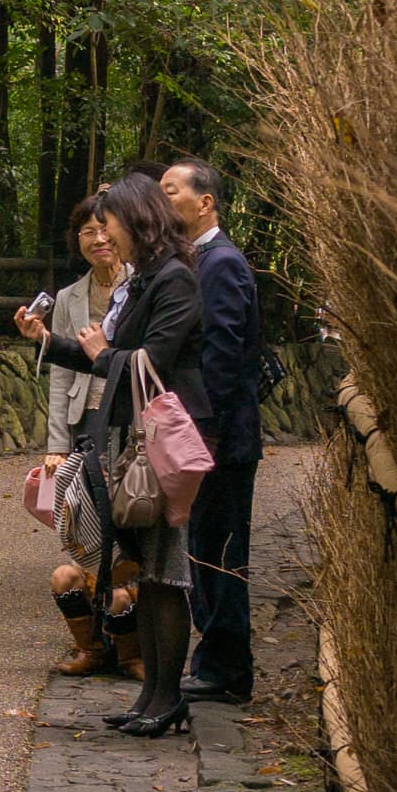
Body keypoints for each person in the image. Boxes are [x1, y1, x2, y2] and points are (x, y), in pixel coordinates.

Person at [15, 174, 209, 738]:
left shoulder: (175, 279)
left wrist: (104, 353)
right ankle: (150, 695)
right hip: (129, 441)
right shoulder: (146, 278)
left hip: (160, 446)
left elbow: (153, 360)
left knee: (165, 573)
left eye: (111, 223)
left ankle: (166, 697)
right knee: (144, 570)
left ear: (137, 220)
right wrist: (47, 341)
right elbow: (107, 353)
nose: (105, 235)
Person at [162, 158, 263, 705]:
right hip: (208, 436)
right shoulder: (195, 260)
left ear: (205, 203)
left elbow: (221, 357)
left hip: (220, 439)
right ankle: (215, 662)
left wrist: (203, 435)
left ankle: (226, 667)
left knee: (220, 550)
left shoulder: (220, 263)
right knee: (203, 546)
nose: (162, 200)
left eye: (171, 191)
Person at [41, 197, 141, 681]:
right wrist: (56, 443)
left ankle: (133, 640)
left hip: (133, 417)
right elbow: (61, 374)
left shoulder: (142, 284)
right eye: (87, 232)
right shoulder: (68, 297)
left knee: (132, 513)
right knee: (84, 517)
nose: (99, 239)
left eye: (106, 229)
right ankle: (93, 643)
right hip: (88, 421)